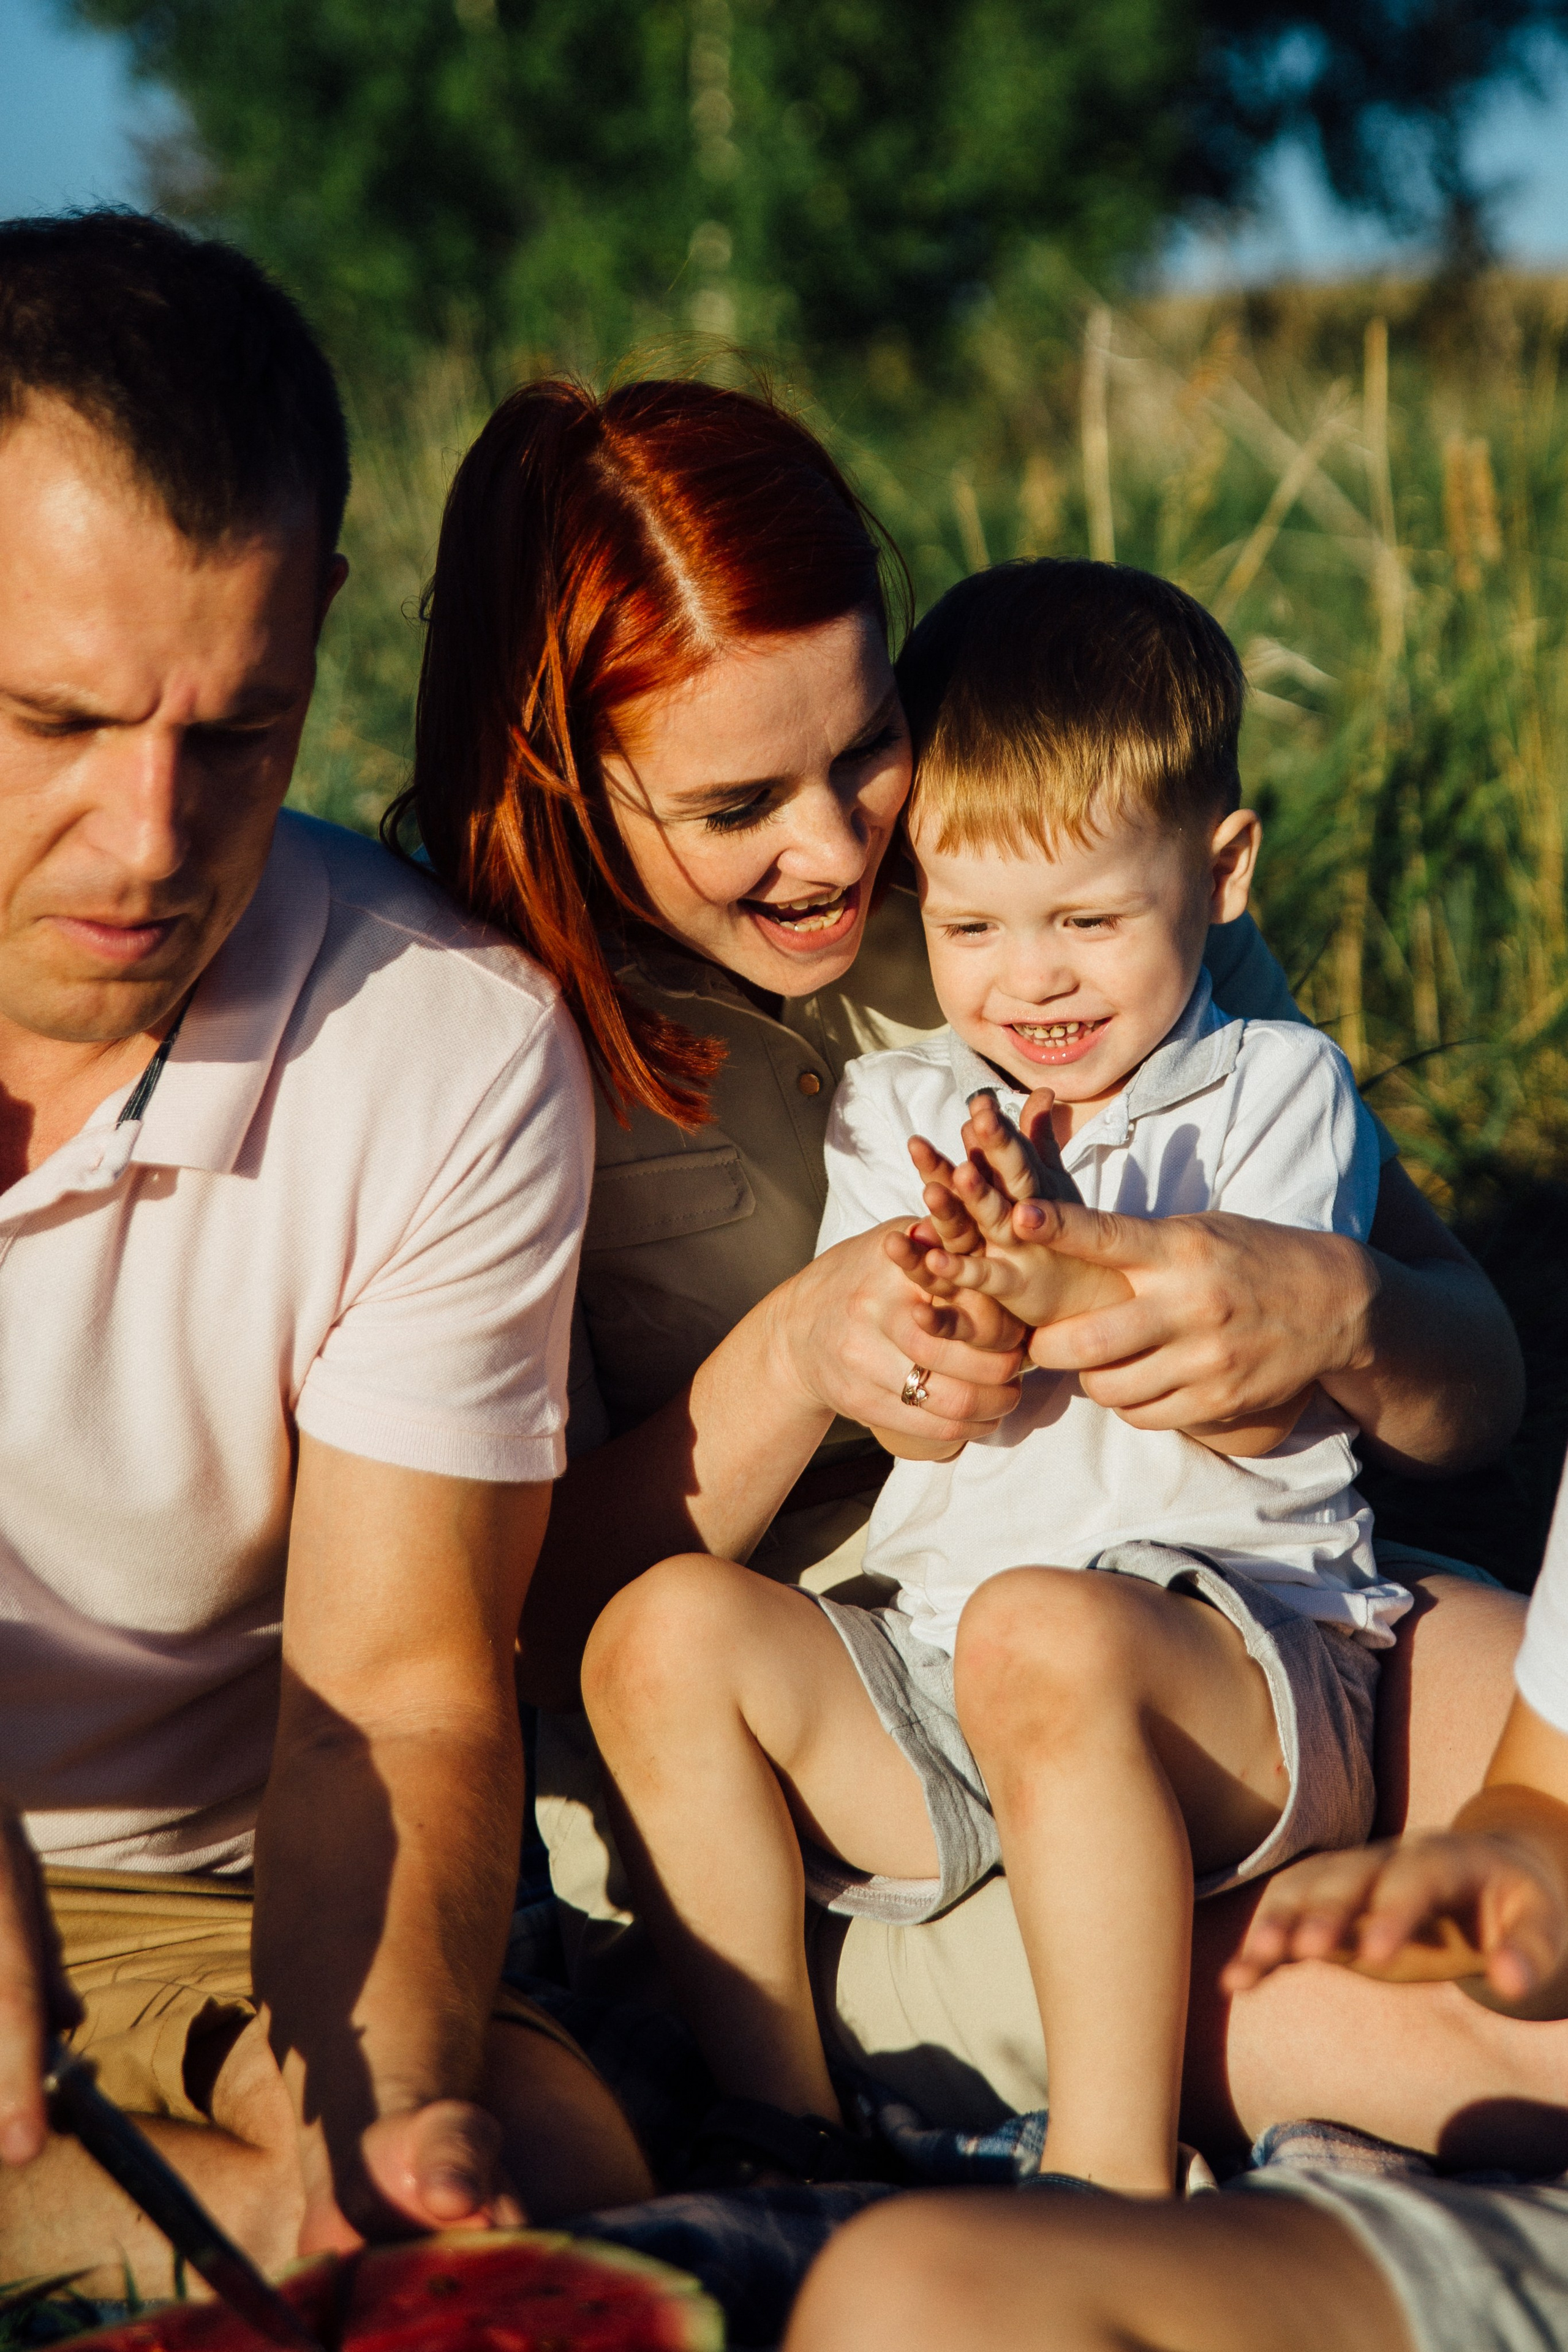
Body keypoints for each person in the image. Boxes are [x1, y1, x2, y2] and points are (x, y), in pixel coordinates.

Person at [399, 372, 1540, 2155]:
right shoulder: (467, 1044)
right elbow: (502, 1638)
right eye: (736, 804)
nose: (840, 849)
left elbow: (1477, 1393)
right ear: (560, 779)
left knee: (1520, 1714)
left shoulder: (1041, 868)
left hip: (1189, 1607)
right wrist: (793, 1363)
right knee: (1468, 2026)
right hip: (826, 1785)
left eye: (868, 749)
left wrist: (1344, 1313)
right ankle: (925, 2157)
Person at [580, 559, 1413, 2195]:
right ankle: (782, 2134)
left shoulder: (1274, 1089)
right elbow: (915, 1392)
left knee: (1046, 1630)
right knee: (660, 1635)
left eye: (1087, 922)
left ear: (1222, 873)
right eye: (969, 927)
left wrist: (1051, 1273)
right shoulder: (899, 1105)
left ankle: (1109, 2182)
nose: (1032, 980)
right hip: (946, 1669)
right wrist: (947, 1320)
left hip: (1233, 1677)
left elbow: (1256, 1395)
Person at [0, 210, 650, 2297]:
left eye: (237, 733)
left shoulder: (443, 1046)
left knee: (526, 2157)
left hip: (195, 1913)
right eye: (55, 721)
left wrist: (382, 2124)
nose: (148, 840)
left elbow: (391, 1690)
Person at [780, 1469, 1568, 2352]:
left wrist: (1520, 1866)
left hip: (1278, 1597)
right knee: (918, 2297)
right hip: (884, 1725)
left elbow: (1462, 1419)